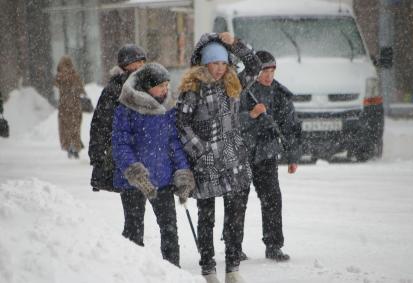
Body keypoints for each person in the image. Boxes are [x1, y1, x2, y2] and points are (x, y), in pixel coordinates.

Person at [176, 32, 261, 283]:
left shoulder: (234, 82)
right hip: (207, 163)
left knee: (235, 217)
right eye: (215, 63)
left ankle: (233, 268)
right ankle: (208, 268)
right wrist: (200, 151)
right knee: (207, 218)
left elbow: (255, 65)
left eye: (224, 63)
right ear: (204, 63)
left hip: (234, 159)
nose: (220, 69)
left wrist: (233, 43)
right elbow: (181, 124)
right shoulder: (192, 90)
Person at [112, 62, 195, 267]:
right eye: (161, 86)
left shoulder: (168, 108)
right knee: (134, 228)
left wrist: (182, 171)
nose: (165, 90)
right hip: (134, 182)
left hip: (163, 178)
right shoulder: (127, 108)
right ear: (148, 86)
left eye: (167, 85)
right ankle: (133, 271)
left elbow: (173, 142)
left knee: (169, 228)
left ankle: (172, 269)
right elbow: (120, 143)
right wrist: (134, 171)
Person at [239, 50, 301, 262]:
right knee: (238, 202)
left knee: (272, 199)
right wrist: (252, 116)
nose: (269, 75)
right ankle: (234, 246)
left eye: (272, 70)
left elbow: (291, 128)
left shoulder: (280, 94)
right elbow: (231, 122)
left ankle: (274, 245)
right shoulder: (242, 91)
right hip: (242, 153)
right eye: (265, 70)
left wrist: (292, 157)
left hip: (267, 154)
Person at [89, 44, 146, 192]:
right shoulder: (113, 90)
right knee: (133, 207)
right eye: (137, 61)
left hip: (149, 156)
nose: (141, 65)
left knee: (163, 211)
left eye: (142, 61)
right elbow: (100, 124)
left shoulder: (151, 85)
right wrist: (98, 158)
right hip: (125, 157)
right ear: (125, 65)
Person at [55, 55, 85, 159]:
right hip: (75, 106)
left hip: (64, 107)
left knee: (65, 128)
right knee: (75, 128)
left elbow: (55, 85)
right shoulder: (75, 75)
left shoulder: (59, 76)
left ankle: (69, 147)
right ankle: (75, 147)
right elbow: (81, 89)